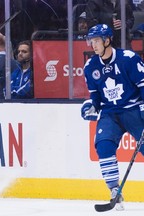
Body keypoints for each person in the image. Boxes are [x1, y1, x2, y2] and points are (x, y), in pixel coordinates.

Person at [81, 24, 144, 211]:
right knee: (104, 146)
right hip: (110, 113)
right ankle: (115, 190)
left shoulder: (128, 59)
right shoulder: (90, 66)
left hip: (133, 109)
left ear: (107, 40)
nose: (93, 45)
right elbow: (96, 99)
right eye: (91, 41)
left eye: (97, 41)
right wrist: (90, 107)